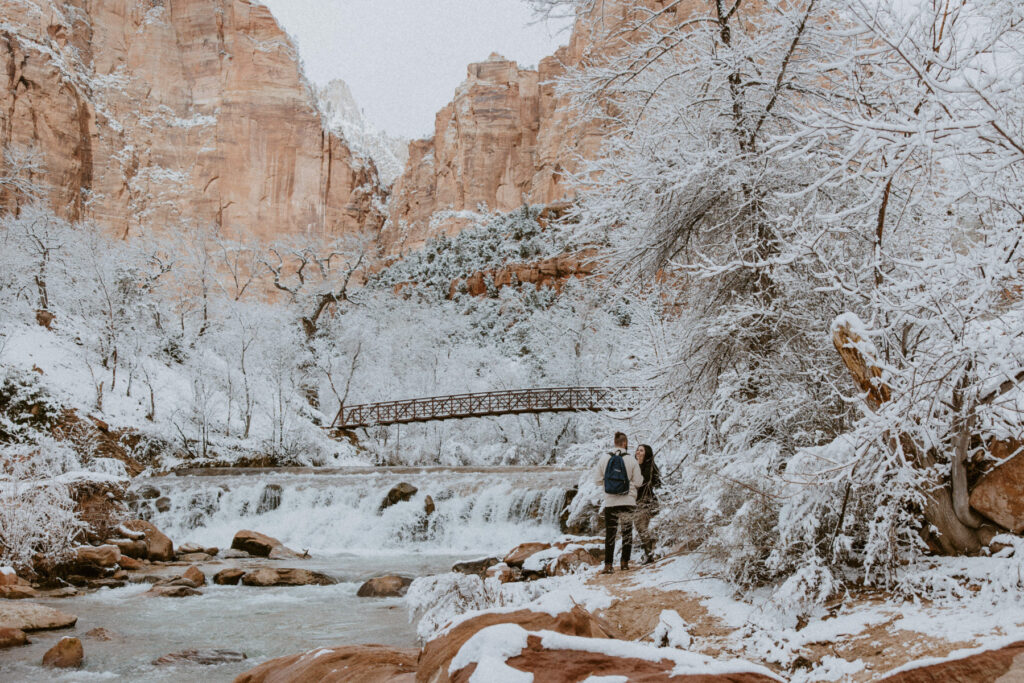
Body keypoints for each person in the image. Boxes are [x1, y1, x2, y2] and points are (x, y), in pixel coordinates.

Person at [593, 431, 643, 574]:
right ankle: (624, 563)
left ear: (614, 442)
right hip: (628, 501)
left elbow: (596, 480)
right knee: (627, 532)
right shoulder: (631, 460)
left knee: (611, 533)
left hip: (610, 502)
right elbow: (639, 482)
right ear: (625, 443)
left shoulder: (604, 458)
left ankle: (608, 565)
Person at [635, 444, 662, 564]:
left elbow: (657, 483)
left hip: (646, 501)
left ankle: (649, 554)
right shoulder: (634, 465)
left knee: (642, 527)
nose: (638, 452)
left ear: (646, 453)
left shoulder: (650, 467)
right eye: (637, 450)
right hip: (635, 501)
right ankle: (648, 553)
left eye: (641, 450)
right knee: (639, 527)